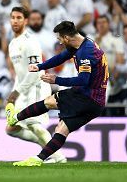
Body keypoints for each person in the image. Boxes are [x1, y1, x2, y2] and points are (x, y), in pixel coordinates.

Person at [7, 21, 108, 166]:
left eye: (60, 39)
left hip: (86, 96)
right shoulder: (82, 43)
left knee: (49, 101)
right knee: (62, 129)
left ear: (66, 37)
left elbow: (83, 80)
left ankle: (14, 118)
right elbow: (61, 57)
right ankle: (38, 159)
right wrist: (40, 66)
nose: (60, 42)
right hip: (97, 103)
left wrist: (56, 79)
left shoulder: (85, 52)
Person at [4, 7, 66, 164]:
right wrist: (14, 92)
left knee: (33, 123)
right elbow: (21, 73)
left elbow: (34, 72)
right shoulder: (12, 43)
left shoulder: (30, 42)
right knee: (11, 129)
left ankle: (59, 157)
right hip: (23, 88)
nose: (15, 21)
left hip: (37, 86)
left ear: (25, 21)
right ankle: (50, 150)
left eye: (19, 18)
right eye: (13, 17)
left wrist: (16, 93)